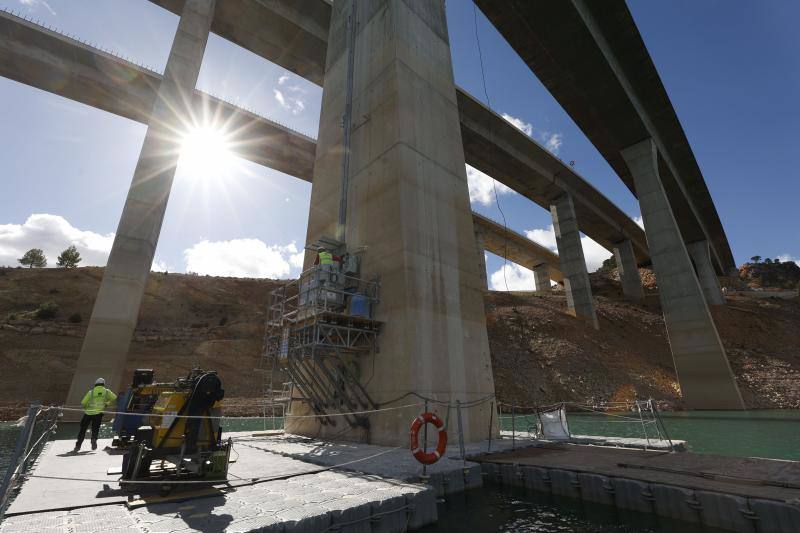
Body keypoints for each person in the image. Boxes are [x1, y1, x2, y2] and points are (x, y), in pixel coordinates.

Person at [74, 377, 117, 452]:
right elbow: (114, 397)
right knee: (95, 429)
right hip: (98, 414)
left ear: (95, 384)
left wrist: (86, 408)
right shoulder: (107, 391)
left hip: (88, 414)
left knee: (83, 430)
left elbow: (83, 403)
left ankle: (78, 446)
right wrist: (107, 403)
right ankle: (94, 440)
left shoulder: (91, 392)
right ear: (103, 384)